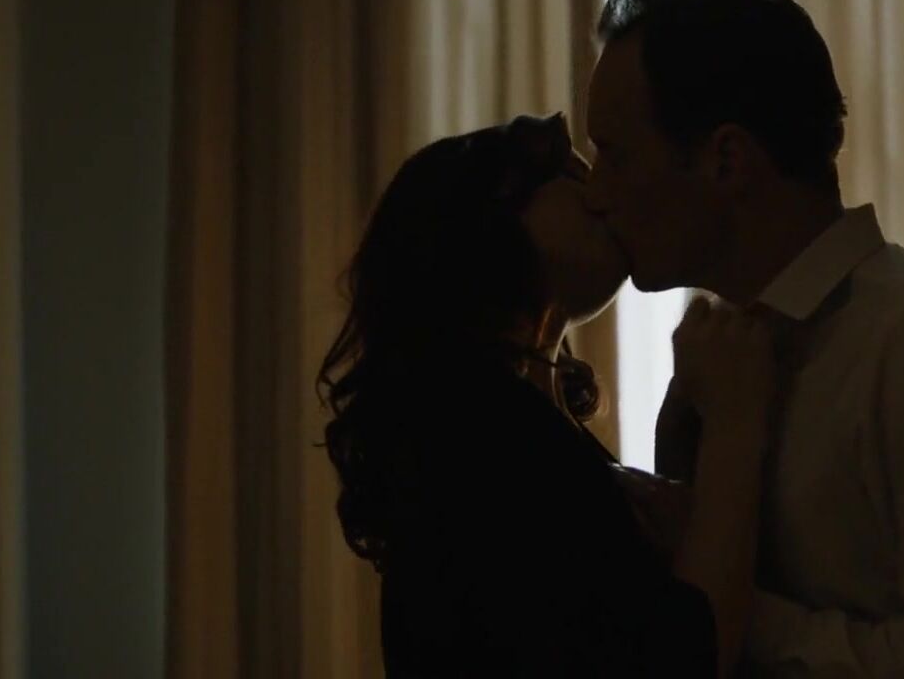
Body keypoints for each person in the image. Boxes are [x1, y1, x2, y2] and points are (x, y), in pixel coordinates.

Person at [585, 0, 904, 677]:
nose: (596, 193)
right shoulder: (723, 359)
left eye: (615, 155)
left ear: (726, 160)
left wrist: (734, 608)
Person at [316, 114, 774, 677]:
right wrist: (735, 426)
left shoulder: (506, 429)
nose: (604, 198)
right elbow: (685, 659)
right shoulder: (479, 442)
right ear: (485, 219)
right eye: (572, 176)